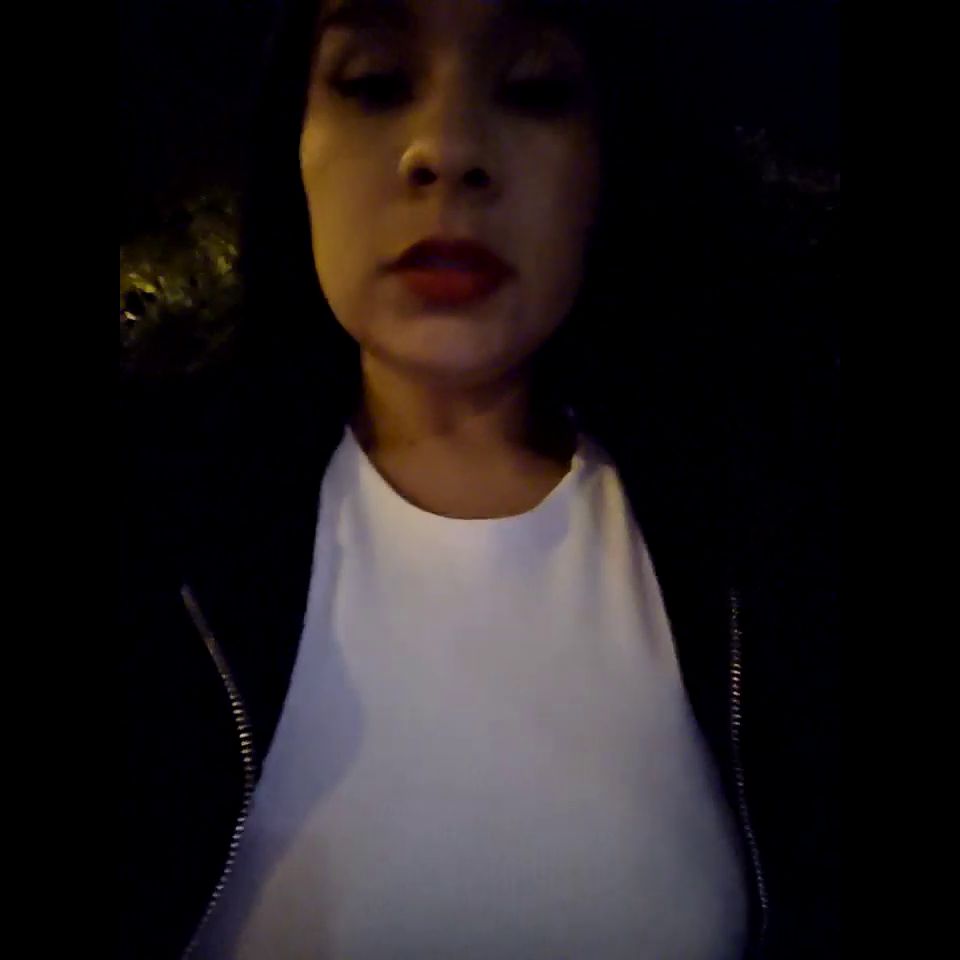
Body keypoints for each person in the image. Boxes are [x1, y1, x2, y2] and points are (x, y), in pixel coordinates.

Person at [120, 1, 839, 958]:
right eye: (375, 83)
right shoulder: (155, 530)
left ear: (607, 162)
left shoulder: (768, 544)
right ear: (294, 144)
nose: (448, 150)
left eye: (535, 90)